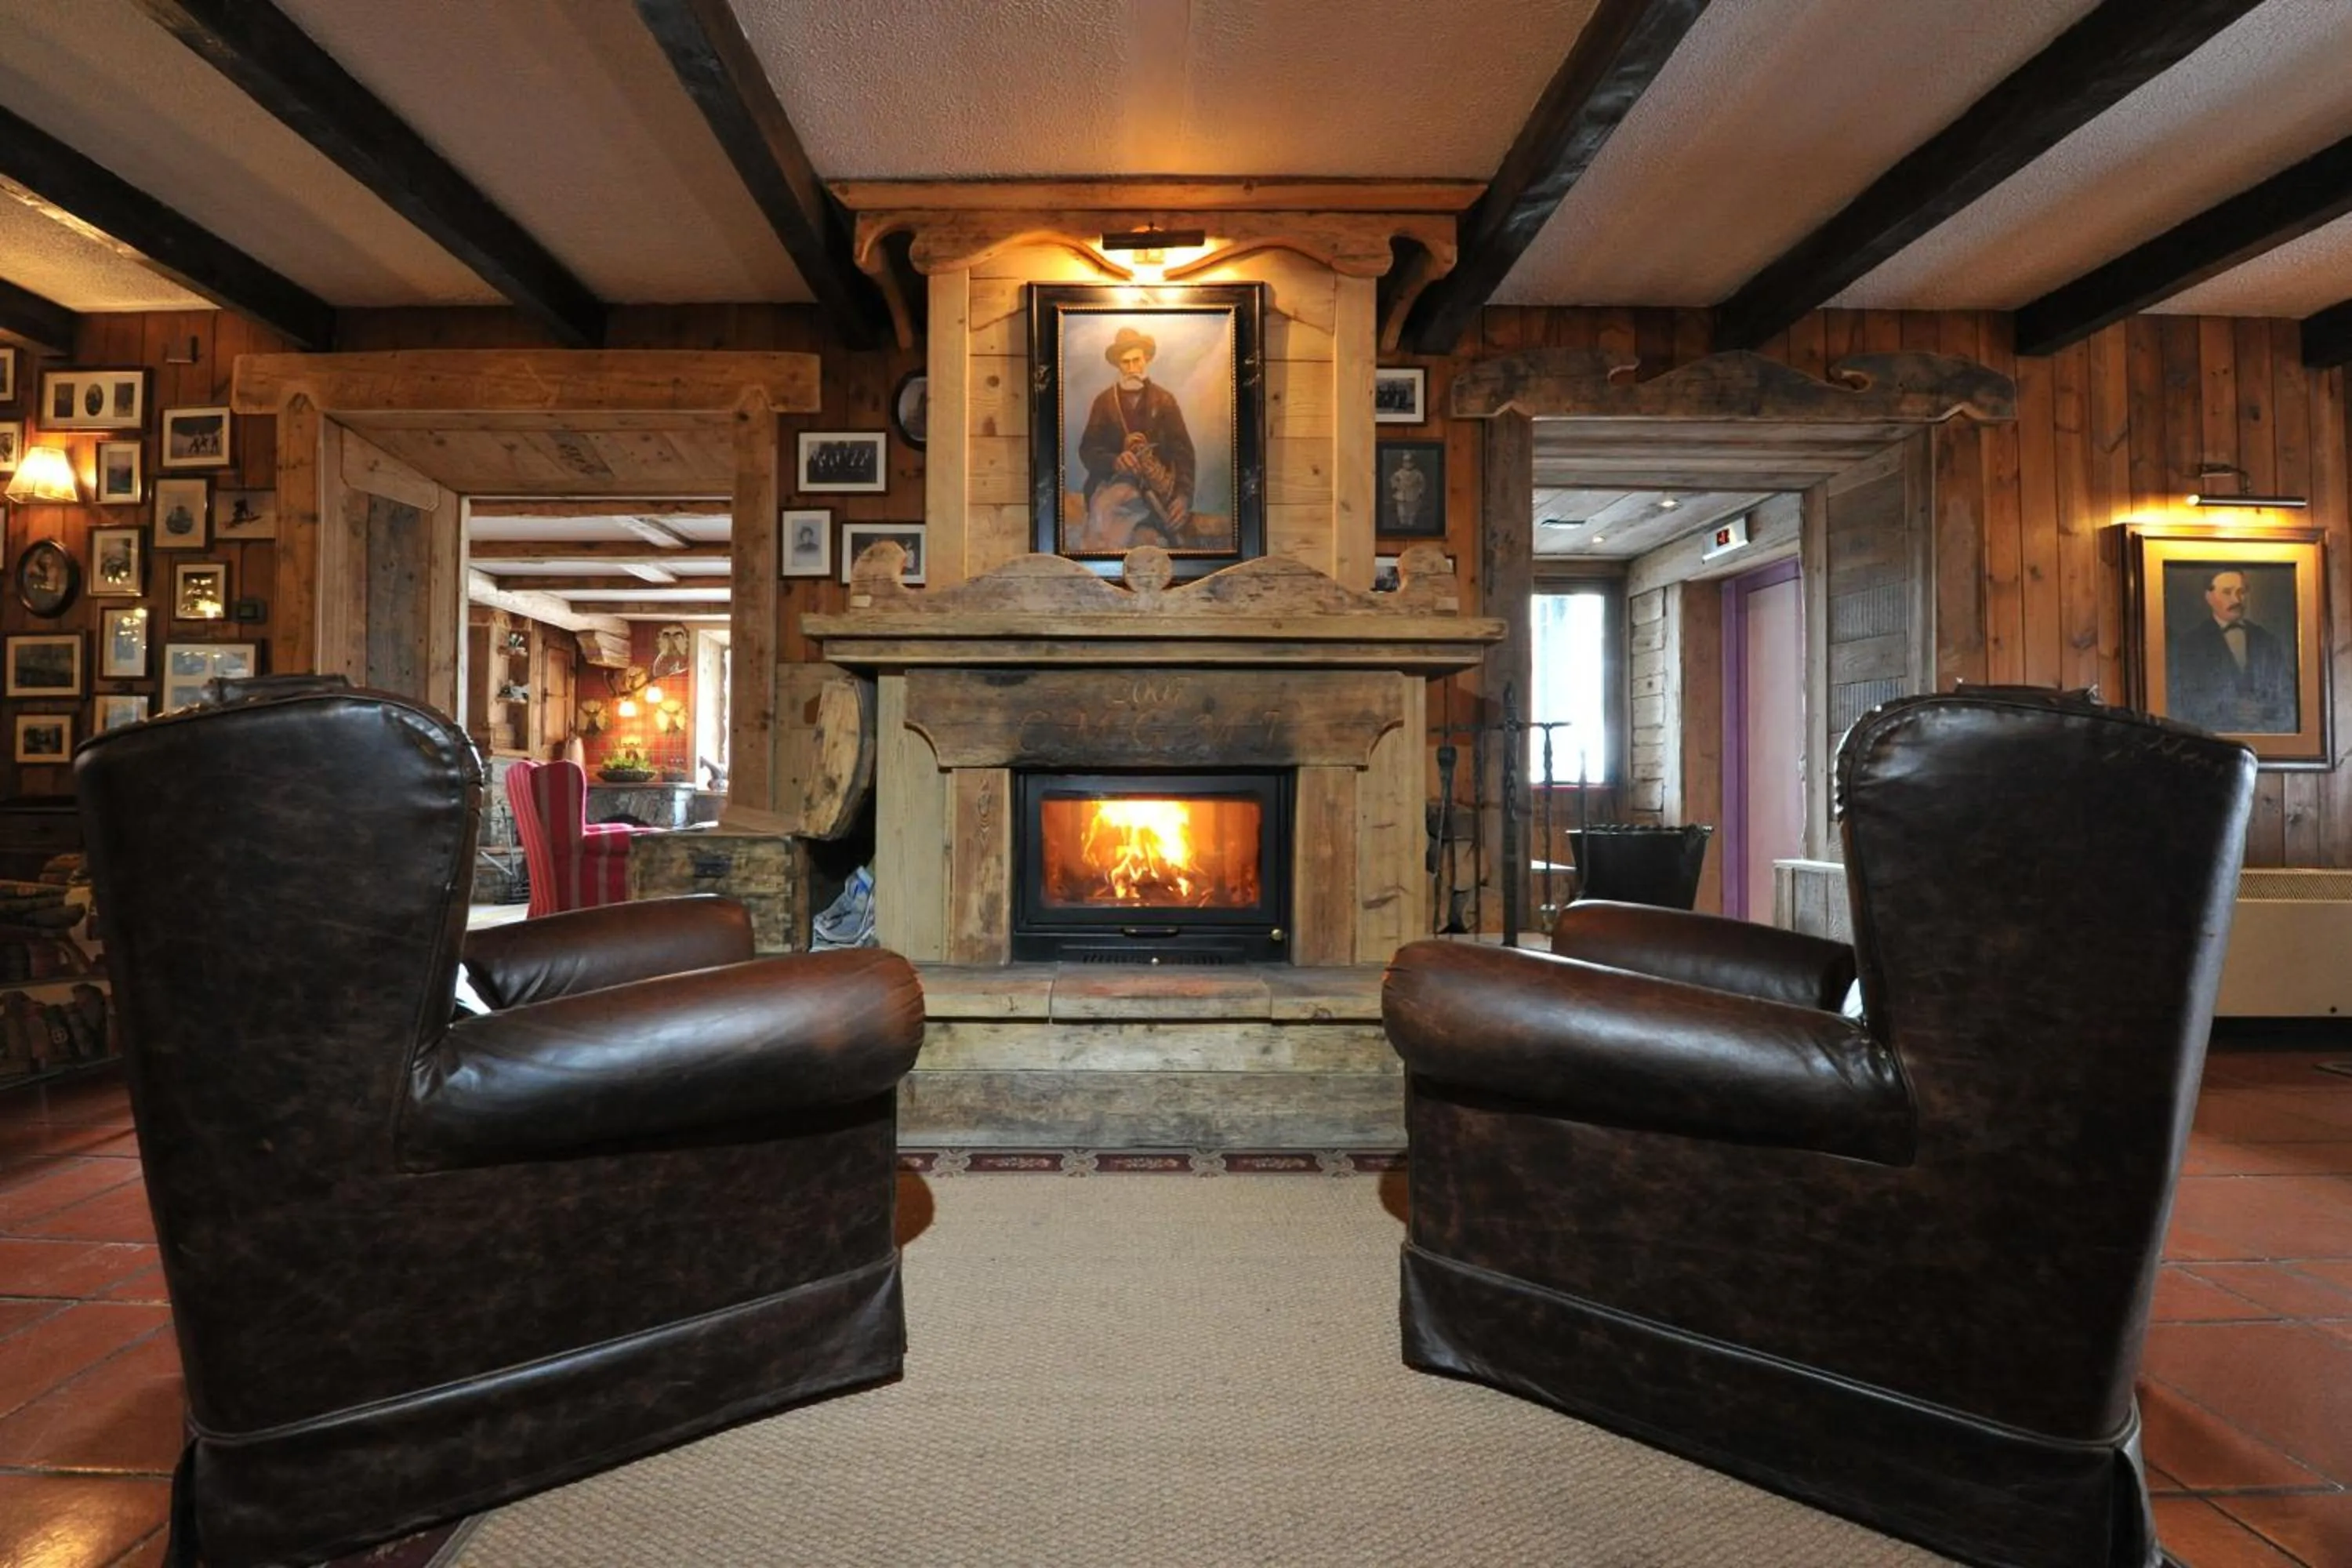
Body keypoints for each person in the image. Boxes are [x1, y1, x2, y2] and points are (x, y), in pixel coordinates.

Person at [1075, 326, 1195, 550]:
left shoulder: (1165, 400)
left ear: (1147, 359)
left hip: (1158, 490)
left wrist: (1184, 496)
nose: (1132, 368)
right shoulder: (1104, 402)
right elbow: (1087, 449)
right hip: (1112, 484)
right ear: (1118, 365)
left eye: (1137, 360)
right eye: (1125, 362)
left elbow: (1184, 453)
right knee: (1104, 511)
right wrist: (1114, 461)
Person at [2169, 566, 2296, 733]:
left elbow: (2290, 702)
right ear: (2209, 597)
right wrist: (2228, 709)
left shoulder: (2267, 641)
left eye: (2241, 592)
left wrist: (2264, 712)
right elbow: (2179, 707)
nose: (2237, 600)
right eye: (2227, 592)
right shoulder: (2189, 646)